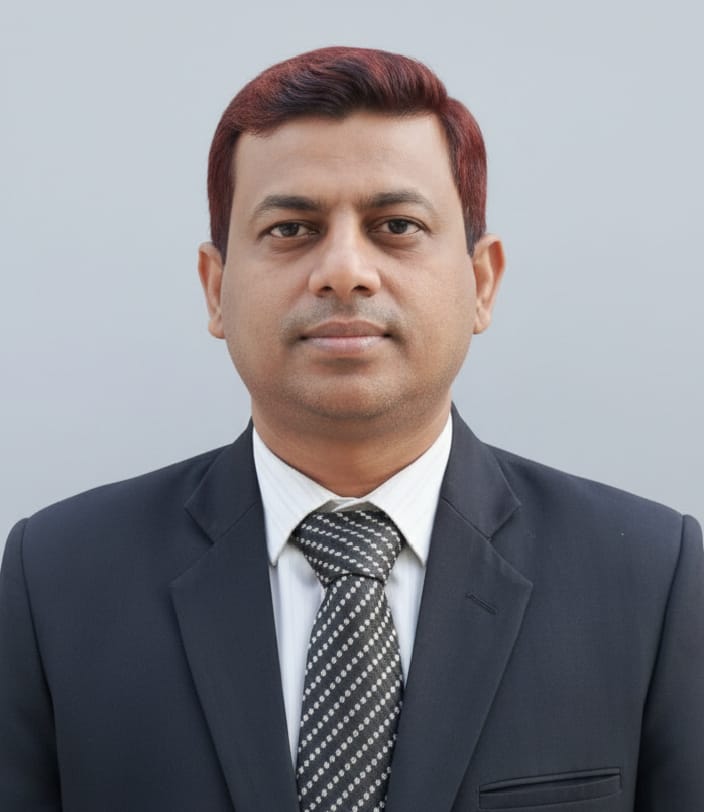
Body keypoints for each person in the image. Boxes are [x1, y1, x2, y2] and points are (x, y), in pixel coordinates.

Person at [1, 46, 702, 812]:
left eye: (396, 225)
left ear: (482, 281)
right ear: (215, 287)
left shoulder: (651, 580)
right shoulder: (56, 581)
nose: (343, 270)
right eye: (291, 229)